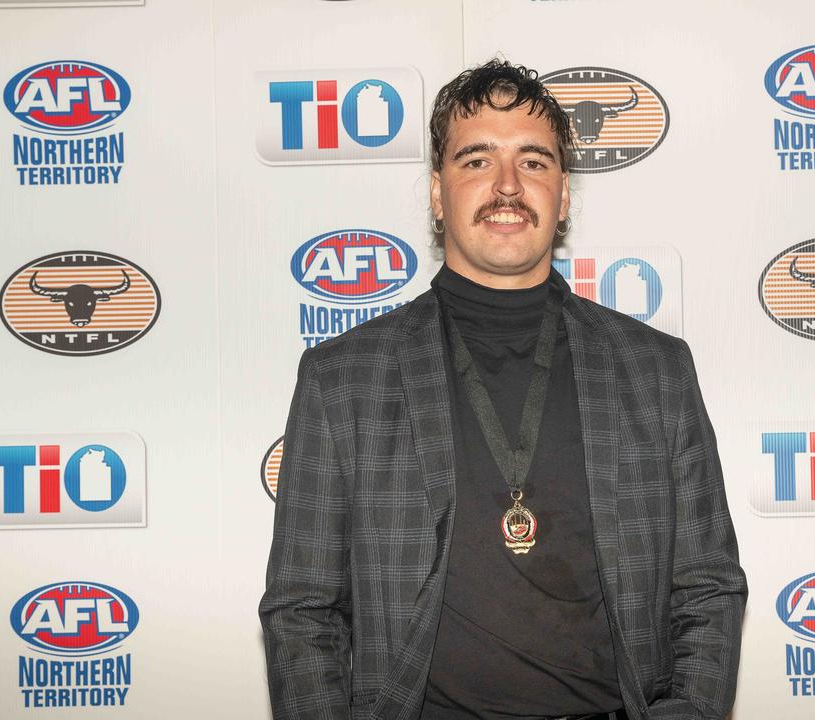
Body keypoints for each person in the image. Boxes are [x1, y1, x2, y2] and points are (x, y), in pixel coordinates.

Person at [261, 59, 746, 720]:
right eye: (478, 161)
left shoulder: (655, 370)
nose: (509, 186)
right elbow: (302, 608)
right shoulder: (343, 378)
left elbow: (708, 587)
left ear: (565, 194)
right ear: (438, 192)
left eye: (535, 162)